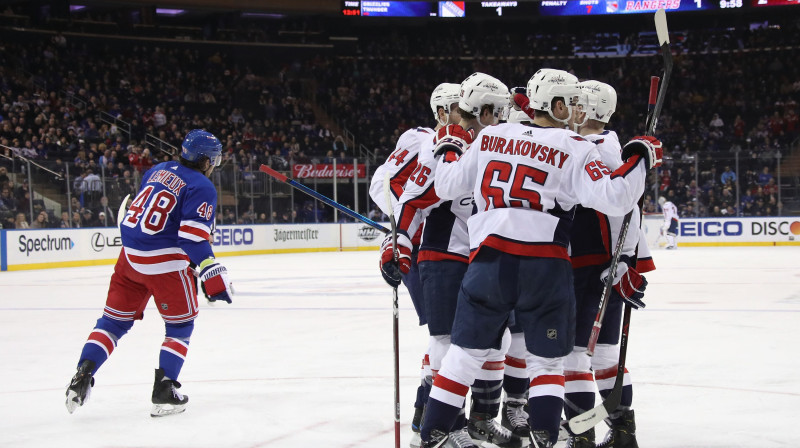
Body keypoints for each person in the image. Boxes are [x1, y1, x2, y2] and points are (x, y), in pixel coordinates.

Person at [419, 68, 662, 448]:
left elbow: (446, 185)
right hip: (544, 268)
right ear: (558, 104)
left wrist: (448, 147)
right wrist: (640, 157)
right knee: (547, 364)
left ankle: (432, 433)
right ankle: (545, 438)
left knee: (462, 357)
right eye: (573, 103)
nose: (577, 111)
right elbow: (616, 198)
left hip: (487, 264)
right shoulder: (574, 146)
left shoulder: (492, 136)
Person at [382, 73, 522, 448]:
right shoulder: (442, 144)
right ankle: (447, 425)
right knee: (447, 344)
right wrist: (397, 244)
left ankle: (480, 420)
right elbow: (413, 200)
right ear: (486, 109)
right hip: (444, 254)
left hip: (486, 255)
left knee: (495, 342)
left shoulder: (499, 142)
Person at [65, 129, 234, 417]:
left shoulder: (157, 169)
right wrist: (212, 272)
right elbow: (191, 238)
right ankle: (165, 391)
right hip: (164, 266)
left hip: (129, 259)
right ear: (206, 160)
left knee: (112, 324)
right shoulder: (202, 186)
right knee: (180, 327)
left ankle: (82, 375)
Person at [563, 80, 655, 448]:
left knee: (573, 356)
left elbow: (623, 211)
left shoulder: (595, 148)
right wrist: (628, 261)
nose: (569, 109)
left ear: (586, 109)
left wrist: (624, 261)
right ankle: (622, 432)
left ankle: (581, 435)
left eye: (575, 104)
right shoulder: (604, 145)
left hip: (589, 267)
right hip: (605, 266)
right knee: (603, 356)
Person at [371, 82, 461, 447]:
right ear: (440, 112)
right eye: (456, 106)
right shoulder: (420, 138)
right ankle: (434, 418)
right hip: (423, 251)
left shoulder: (470, 142)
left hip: (451, 249)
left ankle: (427, 409)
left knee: (454, 336)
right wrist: (404, 226)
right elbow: (383, 182)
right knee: (448, 336)